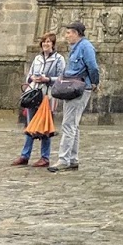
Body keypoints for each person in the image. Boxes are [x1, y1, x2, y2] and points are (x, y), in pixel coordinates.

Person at [47, 21, 100, 174]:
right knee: (73, 125)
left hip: (80, 88)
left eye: (69, 33)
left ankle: (63, 160)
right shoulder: (75, 47)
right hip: (71, 87)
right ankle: (72, 159)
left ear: (76, 33)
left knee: (68, 124)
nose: (66, 36)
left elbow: (93, 67)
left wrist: (94, 82)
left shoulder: (85, 47)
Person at [12, 32, 65, 167]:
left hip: (48, 96)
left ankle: (45, 157)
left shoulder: (59, 59)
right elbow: (29, 75)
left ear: (53, 44)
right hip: (34, 94)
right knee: (30, 125)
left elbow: (61, 78)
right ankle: (25, 155)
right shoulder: (37, 58)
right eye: (44, 42)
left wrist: (47, 79)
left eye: (48, 42)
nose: (46, 44)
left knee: (45, 125)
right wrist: (32, 78)